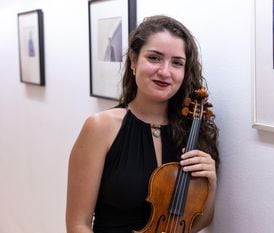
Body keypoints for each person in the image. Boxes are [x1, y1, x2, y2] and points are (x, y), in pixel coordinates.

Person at [66, 15, 219, 233]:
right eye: (154, 58)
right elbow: (77, 225)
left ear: (184, 73)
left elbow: (197, 223)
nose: (165, 72)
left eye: (176, 63)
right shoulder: (101, 127)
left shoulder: (191, 133)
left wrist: (210, 182)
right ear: (134, 61)